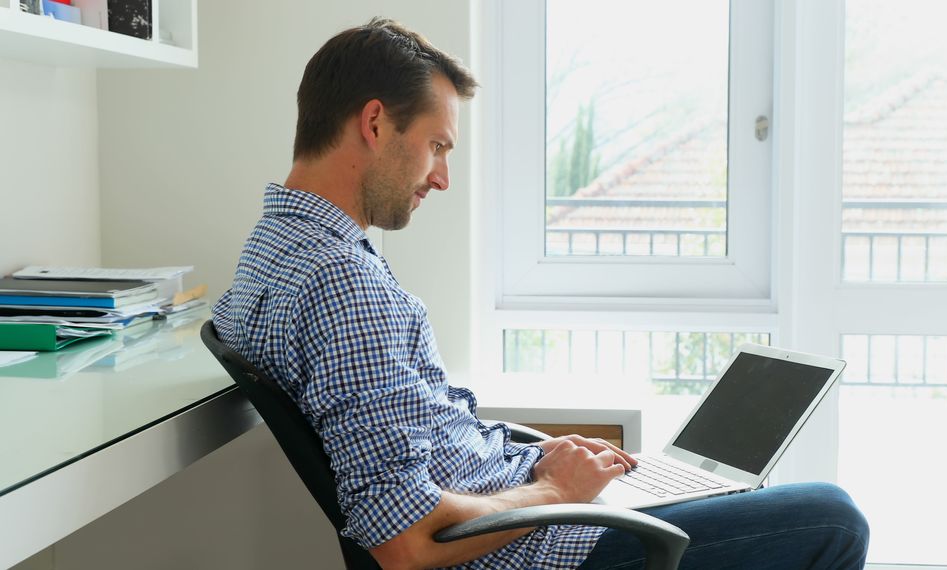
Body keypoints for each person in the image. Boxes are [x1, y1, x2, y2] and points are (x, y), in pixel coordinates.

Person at [212, 18, 869, 569]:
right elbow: (405, 540)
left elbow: (415, 443)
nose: (441, 178)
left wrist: (535, 460)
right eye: (436, 147)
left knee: (724, 499)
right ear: (376, 124)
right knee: (834, 519)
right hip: (536, 551)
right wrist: (556, 489)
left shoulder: (273, 245)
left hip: (521, 502)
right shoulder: (341, 282)